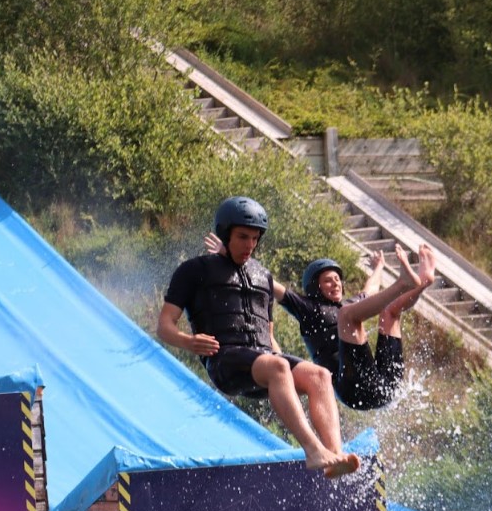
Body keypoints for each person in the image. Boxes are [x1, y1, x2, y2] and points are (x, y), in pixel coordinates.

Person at [157, 196, 360, 479]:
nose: (249, 245)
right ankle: (313, 451)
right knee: (276, 366)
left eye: (254, 238)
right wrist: (189, 342)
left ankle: (334, 455)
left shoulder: (262, 275)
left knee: (320, 375)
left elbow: (269, 334)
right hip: (225, 362)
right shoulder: (194, 271)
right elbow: (164, 326)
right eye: (242, 237)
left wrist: (283, 364)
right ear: (225, 233)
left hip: (262, 360)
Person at [203, 234, 436, 410]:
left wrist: (379, 268)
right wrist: (230, 255)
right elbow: (268, 283)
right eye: (328, 281)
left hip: (386, 386)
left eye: (337, 280)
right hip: (354, 391)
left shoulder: (349, 304)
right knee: (348, 316)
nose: (335, 283)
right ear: (315, 287)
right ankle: (405, 284)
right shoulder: (308, 309)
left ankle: (423, 283)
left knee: (389, 313)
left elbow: (371, 289)